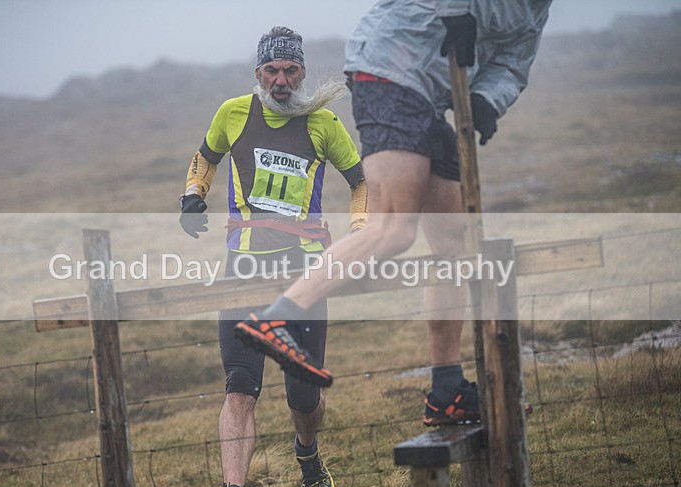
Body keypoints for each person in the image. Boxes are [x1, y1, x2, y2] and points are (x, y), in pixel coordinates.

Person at [235, 1, 551, 426]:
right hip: (389, 71)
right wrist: (456, 10)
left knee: (455, 243)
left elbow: (513, 62)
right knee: (394, 229)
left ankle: (447, 390)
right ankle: (276, 319)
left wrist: (487, 100)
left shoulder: (537, 9)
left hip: (431, 97)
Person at [178, 26, 367, 487]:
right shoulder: (233, 113)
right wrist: (192, 194)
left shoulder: (323, 122)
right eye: (271, 71)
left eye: (289, 70)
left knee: (303, 397)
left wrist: (360, 231)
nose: (280, 81)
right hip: (243, 270)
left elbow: (360, 182)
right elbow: (205, 158)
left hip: (304, 275)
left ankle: (308, 452)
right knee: (240, 385)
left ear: (302, 73)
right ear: (258, 73)